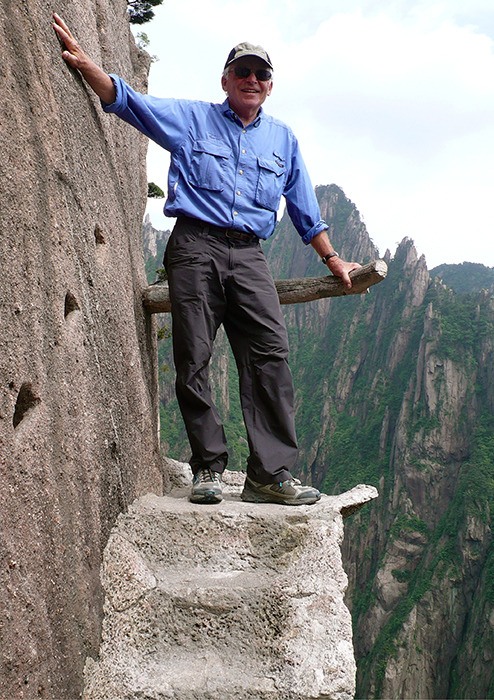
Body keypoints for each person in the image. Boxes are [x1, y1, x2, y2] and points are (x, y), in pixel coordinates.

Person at [53, 13, 361, 507]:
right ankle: (208, 468)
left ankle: (269, 474)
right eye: (243, 72)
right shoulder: (193, 118)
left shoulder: (282, 139)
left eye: (261, 74)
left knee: (270, 354)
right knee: (193, 355)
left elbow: (305, 206)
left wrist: (333, 259)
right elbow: (130, 103)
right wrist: (91, 66)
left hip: (249, 254)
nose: (252, 80)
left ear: (270, 85)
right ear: (226, 80)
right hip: (195, 245)